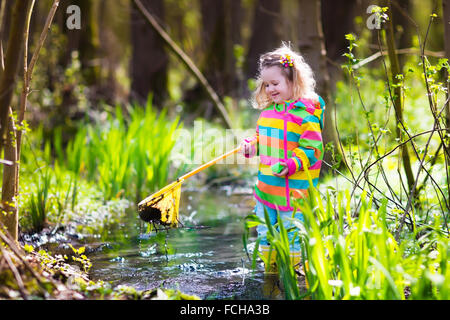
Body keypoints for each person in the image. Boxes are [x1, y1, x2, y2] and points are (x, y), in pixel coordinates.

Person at [241, 43, 325, 271]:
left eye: (275, 84)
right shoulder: (268, 113)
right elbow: (263, 139)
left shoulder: (305, 116)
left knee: (292, 233)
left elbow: (312, 149)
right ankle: (270, 273)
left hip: (292, 192)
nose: (269, 89)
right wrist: (252, 146)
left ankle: (294, 274)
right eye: (266, 84)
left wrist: (292, 163)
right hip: (266, 188)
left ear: (294, 81)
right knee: (265, 231)